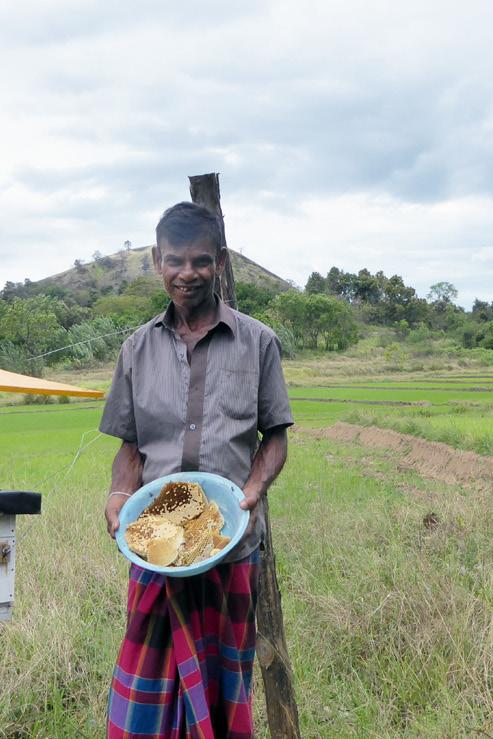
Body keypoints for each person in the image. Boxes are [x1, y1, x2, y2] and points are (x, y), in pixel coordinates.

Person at [99, 201, 293, 738]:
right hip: (155, 551)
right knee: (144, 699)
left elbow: (275, 437)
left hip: (227, 544)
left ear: (221, 263)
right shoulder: (136, 349)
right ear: (158, 261)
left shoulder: (258, 342)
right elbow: (130, 446)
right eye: (176, 261)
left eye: (201, 261)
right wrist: (118, 494)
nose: (188, 274)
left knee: (221, 692)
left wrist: (252, 490)